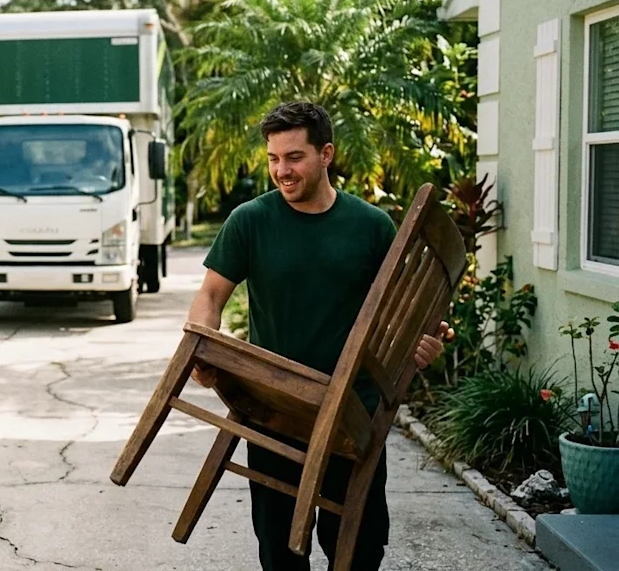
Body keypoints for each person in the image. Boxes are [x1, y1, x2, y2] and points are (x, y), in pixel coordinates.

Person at [187, 101, 452, 571]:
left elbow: (399, 316)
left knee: (359, 547)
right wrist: (204, 352)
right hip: (273, 406)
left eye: (294, 157)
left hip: (353, 412)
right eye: (273, 158)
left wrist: (422, 344)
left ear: (326, 153)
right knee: (279, 549)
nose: (281, 170)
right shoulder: (250, 220)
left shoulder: (371, 226)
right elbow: (210, 297)